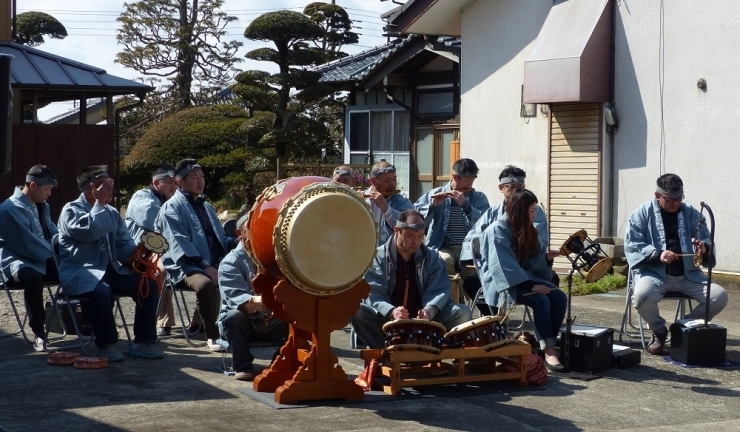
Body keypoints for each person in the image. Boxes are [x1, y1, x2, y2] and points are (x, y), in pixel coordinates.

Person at [57, 166, 163, 361]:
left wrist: (140, 251)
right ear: (90, 189)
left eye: (110, 184)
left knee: (147, 284)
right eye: (105, 185)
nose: (110, 189)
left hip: (111, 270)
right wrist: (99, 203)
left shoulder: (112, 212)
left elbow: (122, 244)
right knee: (102, 292)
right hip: (83, 271)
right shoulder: (70, 210)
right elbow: (91, 231)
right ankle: (106, 344)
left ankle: (143, 342)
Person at [624, 173, 728, 355]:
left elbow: (706, 238)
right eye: (670, 199)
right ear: (657, 195)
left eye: (679, 198)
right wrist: (658, 254)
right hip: (655, 274)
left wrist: (703, 247)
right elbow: (632, 244)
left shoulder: (692, 213)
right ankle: (659, 331)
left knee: (719, 297)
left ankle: (682, 328)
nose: (676, 203)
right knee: (641, 297)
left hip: (688, 275)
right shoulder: (641, 213)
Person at [351, 209, 472, 349]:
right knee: (356, 310)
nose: (416, 242)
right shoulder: (377, 257)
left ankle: (431, 348)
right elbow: (373, 292)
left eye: (420, 237)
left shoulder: (432, 257)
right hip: (388, 320)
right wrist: (392, 311)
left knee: (463, 313)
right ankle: (382, 353)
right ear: (397, 230)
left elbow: (440, 289)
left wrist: (429, 311)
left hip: (426, 322)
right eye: (410, 236)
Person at [479, 188, 566, 371]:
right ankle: (549, 349)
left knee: (559, 296)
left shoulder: (528, 229)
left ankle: (545, 343)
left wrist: (546, 258)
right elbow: (504, 268)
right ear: (520, 210)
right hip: (503, 283)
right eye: (532, 210)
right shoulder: (497, 231)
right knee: (541, 300)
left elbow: (532, 260)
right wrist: (533, 285)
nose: (535, 214)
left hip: (524, 278)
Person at [156, 159, 238, 352]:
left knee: (244, 275)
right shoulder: (171, 208)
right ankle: (213, 336)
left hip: (212, 262)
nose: (201, 182)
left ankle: (240, 330)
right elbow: (179, 246)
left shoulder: (206, 206)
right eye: (195, 178)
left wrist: (234, 242)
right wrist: (206, 266)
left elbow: (220, 238)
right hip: (184, 266)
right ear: (180, 183)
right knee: (205, 284)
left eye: (202, 177)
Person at [461, 165, 555, 315]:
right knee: (471, 282)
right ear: (501, 188)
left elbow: (539, 245)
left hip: (527, 265)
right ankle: (493, 320)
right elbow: (474, 238)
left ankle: (543, 325)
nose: (517, 191)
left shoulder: (535, 211)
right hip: (496, 265)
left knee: (552, 283)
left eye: (520, 186)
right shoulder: (492, 213)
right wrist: (477, 258)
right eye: (512, 187)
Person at [218, 208, 288, 381]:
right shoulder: (230, 262)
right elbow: (242, 301)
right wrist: (275, 301)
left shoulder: (275, 257)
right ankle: (242, 365)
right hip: (246, 323)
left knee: (301, 313)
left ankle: (281, 361)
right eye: (252, 227)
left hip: (273, 319)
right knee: (234, 316)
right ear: (239, 233)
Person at [0, 165, 59, 351]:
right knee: (33, 277)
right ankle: (39, 332)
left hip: (42, 256)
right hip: (15, 260)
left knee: (75, 267)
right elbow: (25, 242)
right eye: (47, 189)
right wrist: (52, 252)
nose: (49, 194)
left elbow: (53, 231)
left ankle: (88, 322)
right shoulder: (9, 209)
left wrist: (65, 246)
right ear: (33, 185)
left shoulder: (42, 206)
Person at [124, 164, 179, 337]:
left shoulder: (172, 200)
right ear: (156, 183)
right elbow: (158, 224)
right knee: (162, 269)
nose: (174, 186)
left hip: (168, 249)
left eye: (175, 183)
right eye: (169, 182)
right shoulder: (142, 197)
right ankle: (163, 321)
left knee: (212, 265)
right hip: (141, 254)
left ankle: (200, 322)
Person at [415, 158, 489, 278]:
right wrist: (432, 206)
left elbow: (485, 222)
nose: (470, 184)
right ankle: (451, 295)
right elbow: (414, 218)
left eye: (472, 180)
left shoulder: (479, 197)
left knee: (473, 271)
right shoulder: (435, 193)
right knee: (443, 261)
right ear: (455, 177)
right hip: (442, 246)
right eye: (467, 180)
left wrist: (466, 206)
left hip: (469, 247)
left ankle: (466, 295)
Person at [363, 160, 413, 246]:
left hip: (389, 255)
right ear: (373, 181)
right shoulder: (361, 199)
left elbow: (410, 228)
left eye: (394, 179)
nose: (392, 184)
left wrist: (385, 208)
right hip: (362, 251)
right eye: (387, 181)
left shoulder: (402, 202)